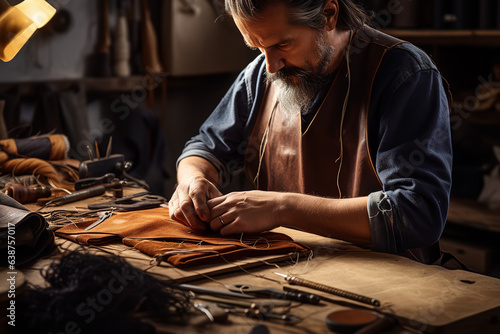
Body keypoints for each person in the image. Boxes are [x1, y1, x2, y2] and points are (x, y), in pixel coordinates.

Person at [169, 0, 453, 265]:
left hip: (393, 283)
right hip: (288, 270)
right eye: (258, 48)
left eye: (283, 44)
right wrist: (192, 181)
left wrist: (281, 208)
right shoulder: (260, 75)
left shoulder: (405, 74)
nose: (270, 65)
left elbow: (418, 215)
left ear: (328, 15)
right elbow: (204, 147)